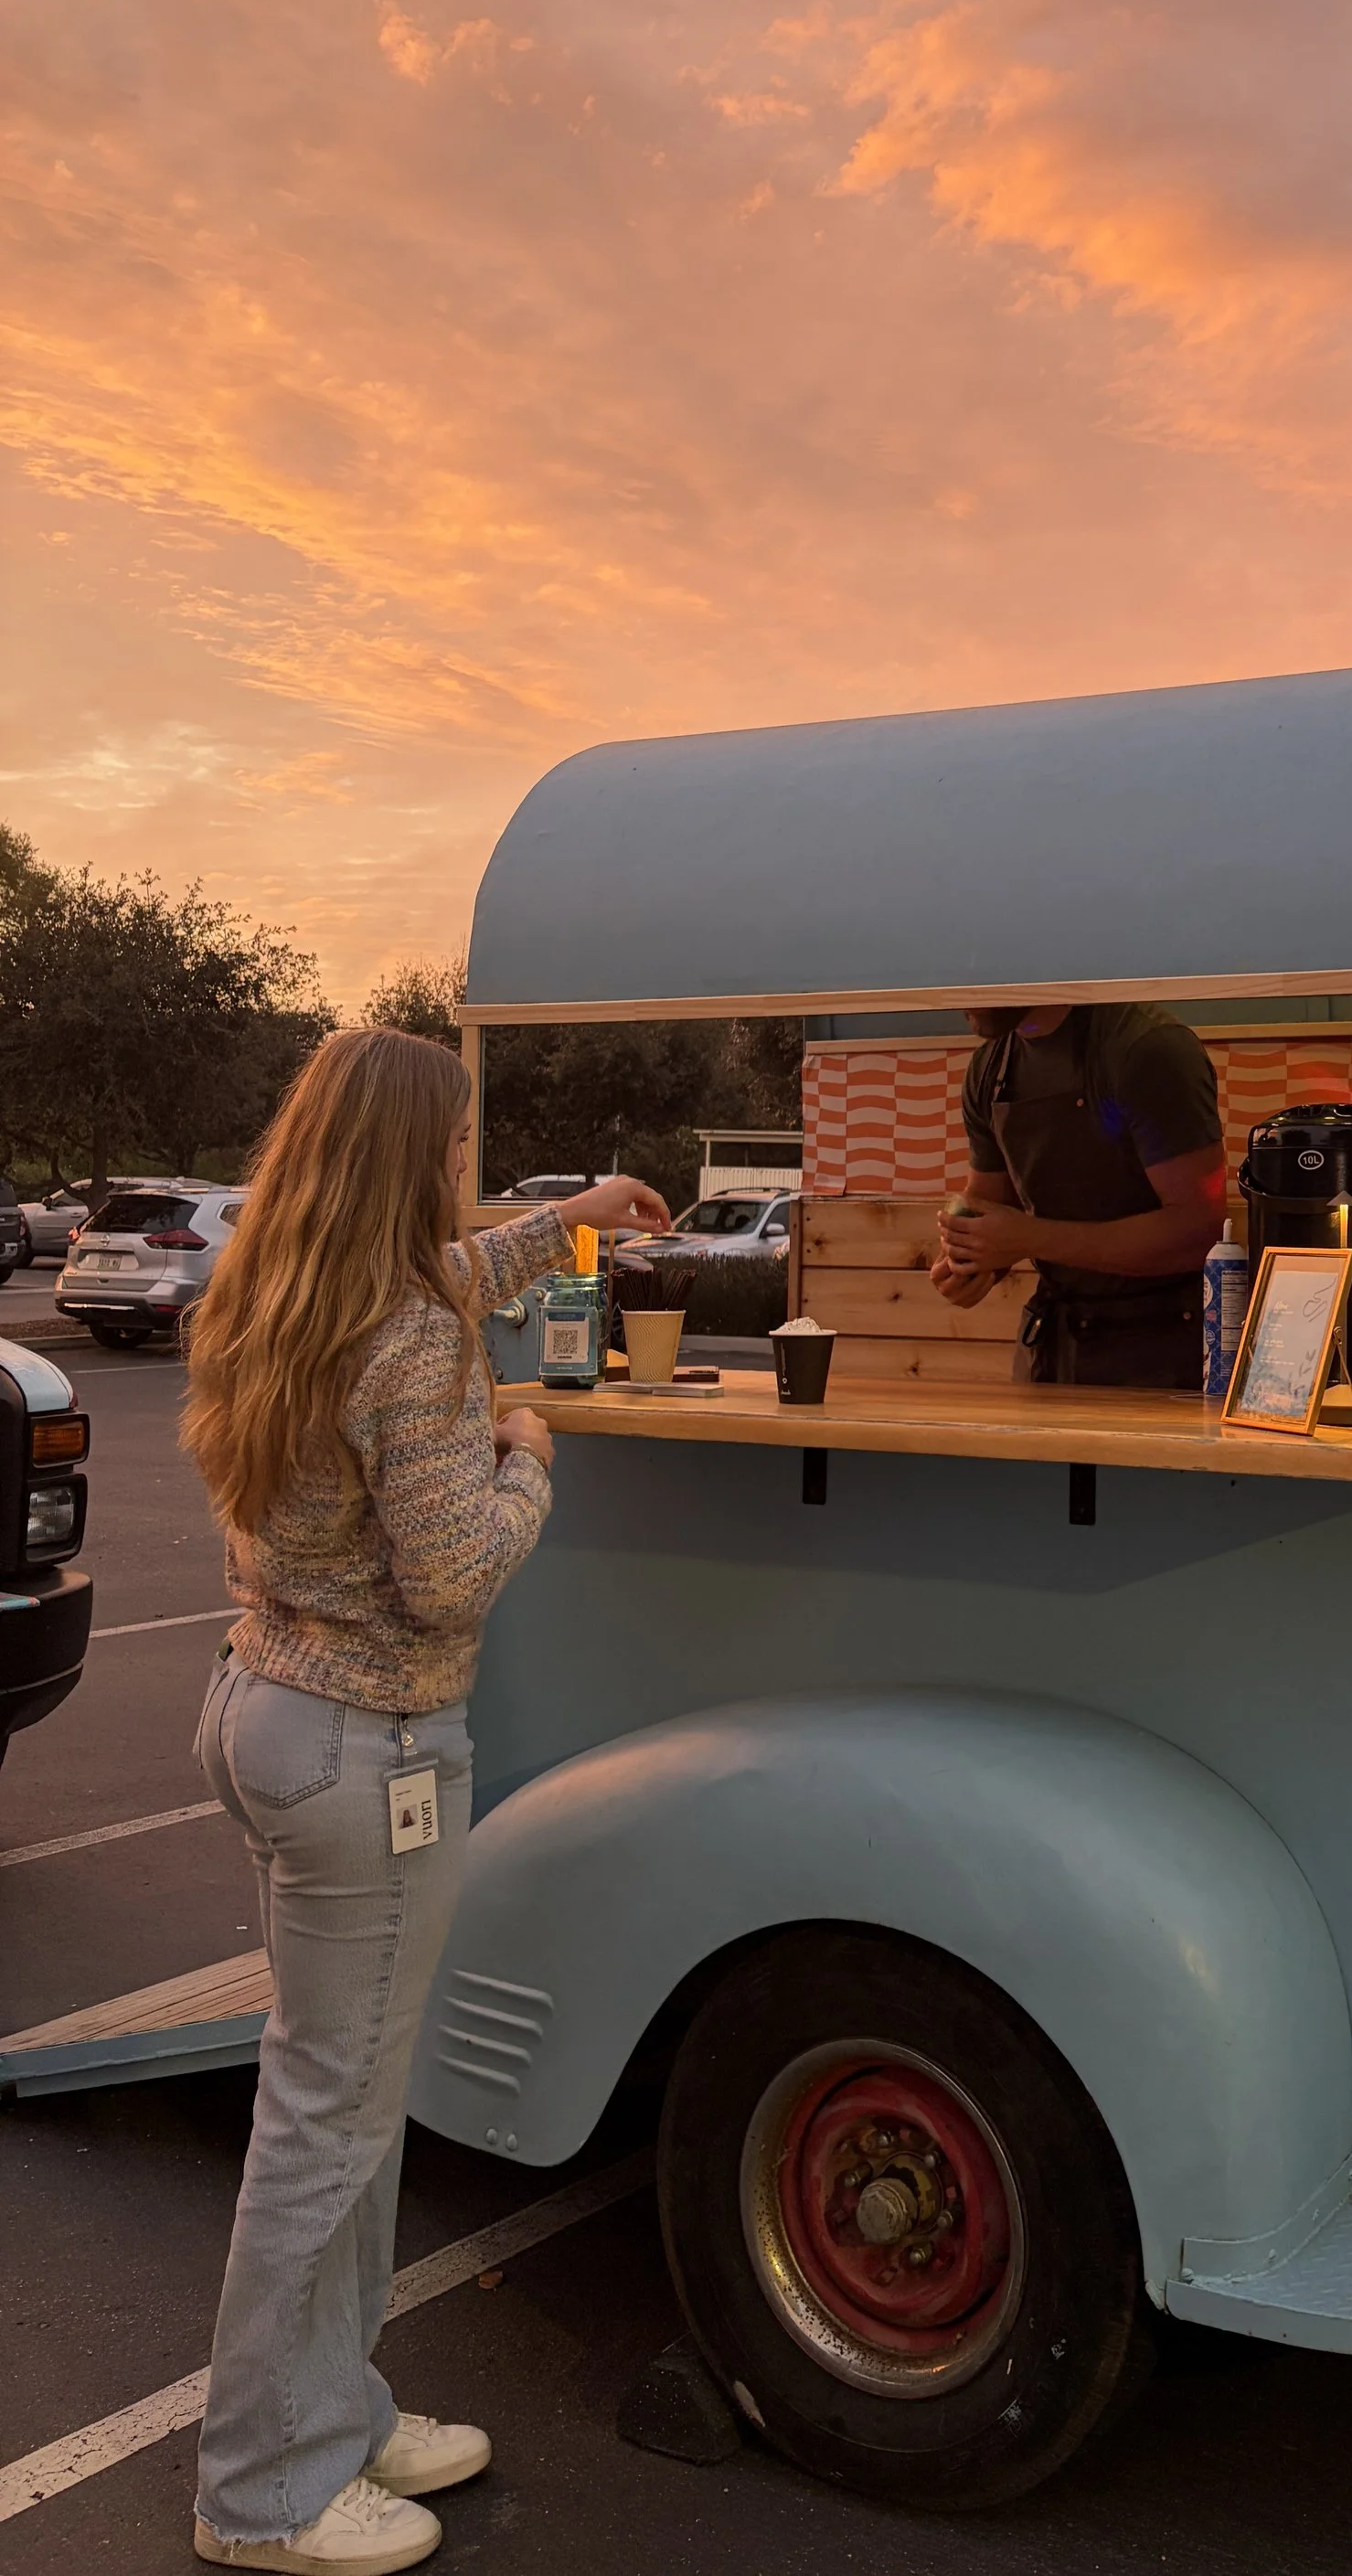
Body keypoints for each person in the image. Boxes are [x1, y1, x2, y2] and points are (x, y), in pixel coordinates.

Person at [179, 1027, 668, 2572]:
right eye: (456, 1140)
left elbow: (459, 1263)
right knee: (327, 2119)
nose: (467, 1165)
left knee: (343, 2095)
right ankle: (264, 2487)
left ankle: (332, 2407)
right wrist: (529, 1452)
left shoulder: (282, 1286)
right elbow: (452, 1565)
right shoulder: (404, 1335)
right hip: (366, 1751)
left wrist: (575, 1212)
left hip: (263, 1713)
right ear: (413, 1155)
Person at [930, 1003, 1228, 1388]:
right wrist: (969, 1259)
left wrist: (1026, 1237)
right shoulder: (990, 1068)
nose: (962, 995)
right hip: (1051, 1347)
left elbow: (1199, 1232)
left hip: (1161, 1355)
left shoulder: (1147, 1049)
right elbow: (987, 1205)